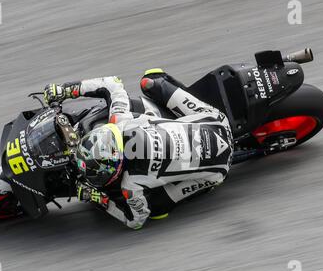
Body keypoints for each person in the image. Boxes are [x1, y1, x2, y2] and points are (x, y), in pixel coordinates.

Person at [43, 69, 233, 229]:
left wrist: (101, 198)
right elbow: (114, 83)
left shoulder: (131, 185)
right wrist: (66, 90)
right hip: (215, 121)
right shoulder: (120, 121)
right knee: (150, 81)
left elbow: (136, 220)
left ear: (117, 170)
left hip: (216, 172)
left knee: (157, 210)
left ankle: (207, 182)